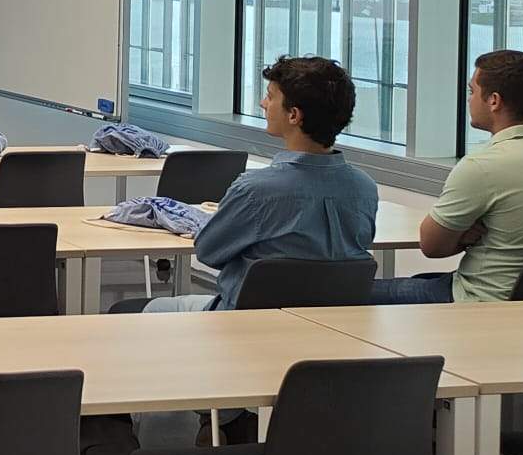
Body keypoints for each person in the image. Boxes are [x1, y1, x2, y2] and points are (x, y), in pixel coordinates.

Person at [131, 56, 378, 312]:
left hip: (242, 322)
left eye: (270, 97)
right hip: (331, 327)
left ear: (293, 115)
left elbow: (207, 251)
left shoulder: (254, 190)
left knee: (145, 311)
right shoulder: (365, 189)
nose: (263, 103)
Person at [370, 50, 523, 304]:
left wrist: (463, 236)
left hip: (482, 301)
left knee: (353, 294)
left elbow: (432, 246)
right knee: (424, 279)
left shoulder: (483, 166)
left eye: (472, 91)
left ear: (494, 100)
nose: (469, 100)